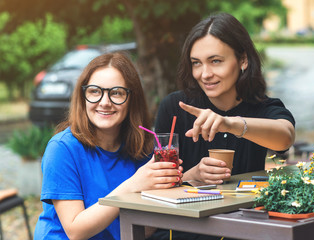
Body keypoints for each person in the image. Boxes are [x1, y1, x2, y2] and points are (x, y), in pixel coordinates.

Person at [149, 12, 295, 240]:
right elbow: (155, 185)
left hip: (239, 230)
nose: (205, 74)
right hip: (180, 231)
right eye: (196, 63)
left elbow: (285, 136)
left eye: (216, 61)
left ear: (243, 60)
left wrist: (231, 124)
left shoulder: (263, 109)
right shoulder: (175, 107)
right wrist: (193, 175)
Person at [34, 52, 182, 240]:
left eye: (116, 93)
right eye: (95, 91)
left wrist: (168, 186)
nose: (104, 102)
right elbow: (75, 231)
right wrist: (133, 185)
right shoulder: (62, 149)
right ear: (83, 96)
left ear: (131, 99)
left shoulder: (144, 148)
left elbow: (143, 231)